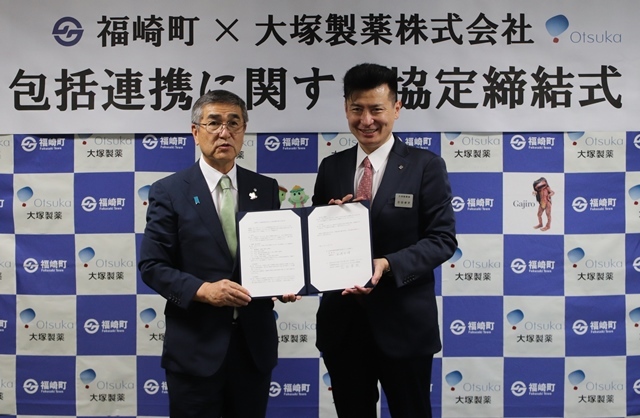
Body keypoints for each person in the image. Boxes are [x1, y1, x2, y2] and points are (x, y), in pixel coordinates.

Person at [138, 89, 297, 418]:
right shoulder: (169, 191)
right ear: (195, 132)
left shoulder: (265, 188)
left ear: (244, 131)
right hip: (195, 348)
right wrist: (203, 290)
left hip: (253, 348)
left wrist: (286, 280)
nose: (225, 132)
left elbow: (273, 255)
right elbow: (152, 265)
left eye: (234, 123)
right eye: (214, 123)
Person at [312, 63, 457, 418]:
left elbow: (442, 239)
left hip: (404, 325)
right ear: (346, 108)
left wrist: (388, 264)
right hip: (343, 327)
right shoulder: (331, 167)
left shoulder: (425, 165)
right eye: (357, 109)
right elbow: (314, 240)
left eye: (376, 109)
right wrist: (329, 221)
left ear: (396, 108)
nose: (366, 120)